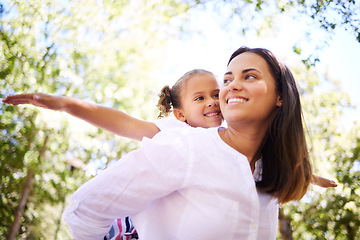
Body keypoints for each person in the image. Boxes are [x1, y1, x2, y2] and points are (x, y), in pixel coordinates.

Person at [58, 46, 317, 239]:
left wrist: (303, 172)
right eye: (227, 79)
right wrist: (66, 104)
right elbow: (85, 210)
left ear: (281, 96)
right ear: (180, 114)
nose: (230, 88)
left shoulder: (268, 175)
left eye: (249, 76)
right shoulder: (181, 142)